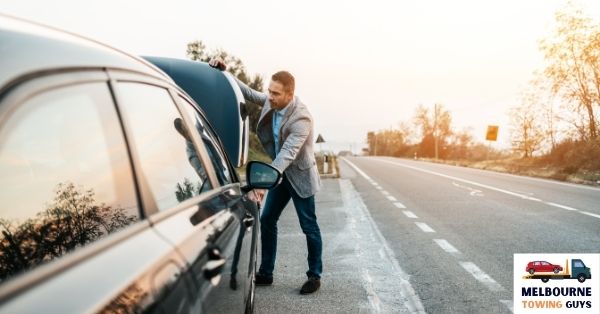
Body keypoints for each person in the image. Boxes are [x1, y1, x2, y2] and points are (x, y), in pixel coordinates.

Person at [209, 58, 323, 294]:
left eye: (276, 94)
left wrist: (265, 180)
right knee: (268, 219)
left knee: (308, 226)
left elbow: (288, 153)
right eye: (269, 91)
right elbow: (249, 93)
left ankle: (314, 276)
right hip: (280, 176)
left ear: (289, 94)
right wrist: (225, 73)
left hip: (299, 176)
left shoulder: (302, 118)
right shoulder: (272, 102)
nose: (270, 97)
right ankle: (266, 272)